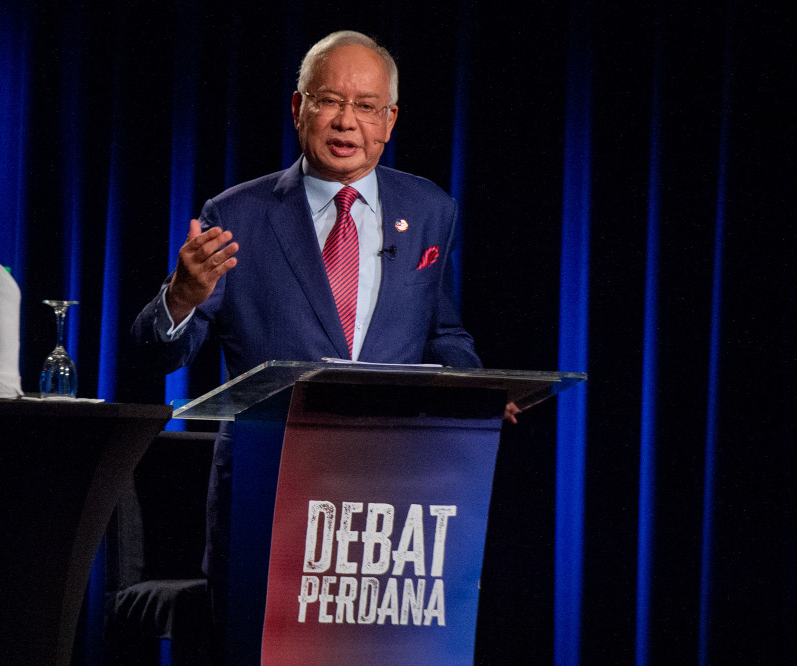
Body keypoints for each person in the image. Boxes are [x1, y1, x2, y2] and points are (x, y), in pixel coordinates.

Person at [131, 29, 515, 652]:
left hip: (394, 498)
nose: (346, 121)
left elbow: (442, 330)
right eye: (329, 101)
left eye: (366, 107)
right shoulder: (238, 214)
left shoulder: (429, 209)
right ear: (298, 107)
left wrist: (471, 388)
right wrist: (181, 295)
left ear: (389, 121)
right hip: (270, 492)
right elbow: (161, 352)